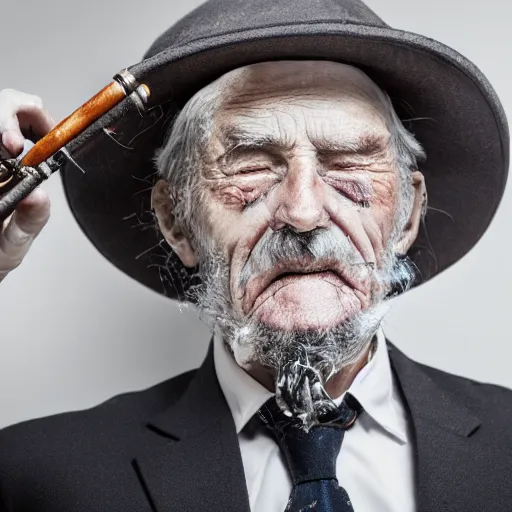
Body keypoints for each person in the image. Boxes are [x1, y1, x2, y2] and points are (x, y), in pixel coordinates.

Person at [0, 0, 511, 510]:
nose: (304, 211)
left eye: (350, 161)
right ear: (176, 220)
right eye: (251, 166)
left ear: (408, 211)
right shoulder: (33, 476)